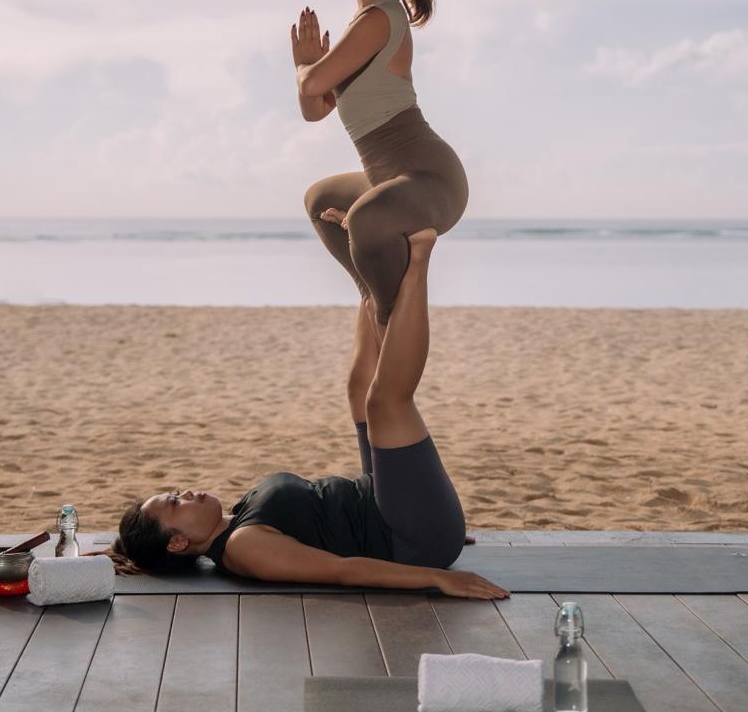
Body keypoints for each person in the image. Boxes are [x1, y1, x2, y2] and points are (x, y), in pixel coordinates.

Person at [89, 228, 508, 600]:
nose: (189, 493)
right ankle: (418, 260)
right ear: (178, 544)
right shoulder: (243, 549)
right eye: (175, 504)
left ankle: (366, 284)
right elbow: (343, 572)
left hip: (396, 507)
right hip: (408, 536)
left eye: (176, 491)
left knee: (359, 393)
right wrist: (436, 576)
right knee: (386, 403)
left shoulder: (236, 519)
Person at [292, 0, 469, 351]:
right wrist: (310, 69)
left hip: (429, 179)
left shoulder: (380, 18)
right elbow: (315, 109)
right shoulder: (360, 26)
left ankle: (392, 315)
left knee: (367, 217)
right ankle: (375, 293)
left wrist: (305, 67)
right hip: (387, 179)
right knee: (321, 199)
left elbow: (312, 86)